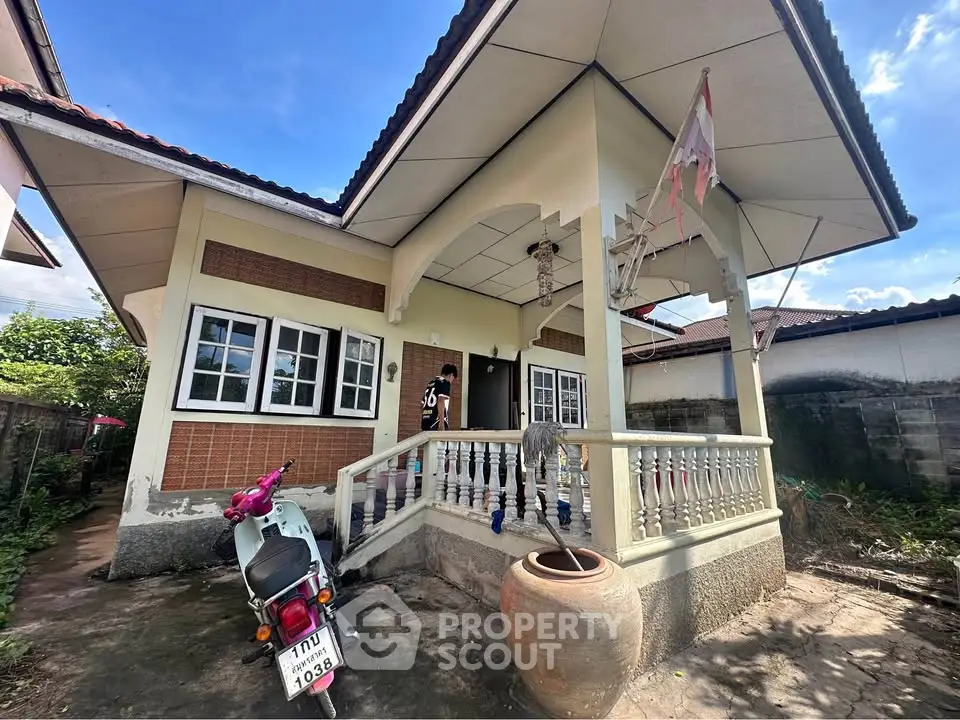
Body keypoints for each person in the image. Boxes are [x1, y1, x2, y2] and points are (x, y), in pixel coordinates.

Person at [421, 363, 457, 431]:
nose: (452, 381)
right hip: (436, 422)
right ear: (451, 375)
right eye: (453, 379)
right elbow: (441, 400)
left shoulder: (431, 383)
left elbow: (422, 403)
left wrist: (426, 415)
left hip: (426, 421)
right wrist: (441, 422)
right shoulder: (445, 383)